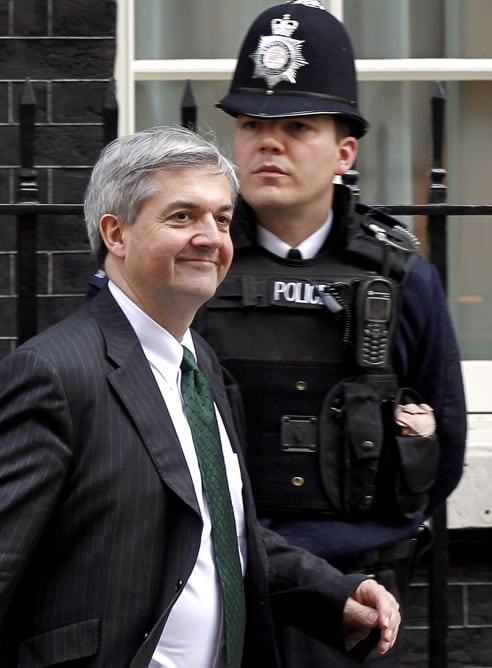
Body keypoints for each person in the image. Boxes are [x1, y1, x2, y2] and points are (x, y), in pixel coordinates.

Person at [0, 125, 401, 667]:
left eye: (222, 218)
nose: (211, 237)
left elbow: (221, 529)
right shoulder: (53, 374)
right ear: (116, 235)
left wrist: (335, 597)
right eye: (182, 216)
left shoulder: (199, 364)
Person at [192, 1, 467, 667]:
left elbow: (446, 450)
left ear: (344, 150)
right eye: (253, 124)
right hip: (211, 588)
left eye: (296, 126)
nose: (269, 143)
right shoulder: (193, 259)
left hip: (357, 600)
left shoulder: (402, 278)